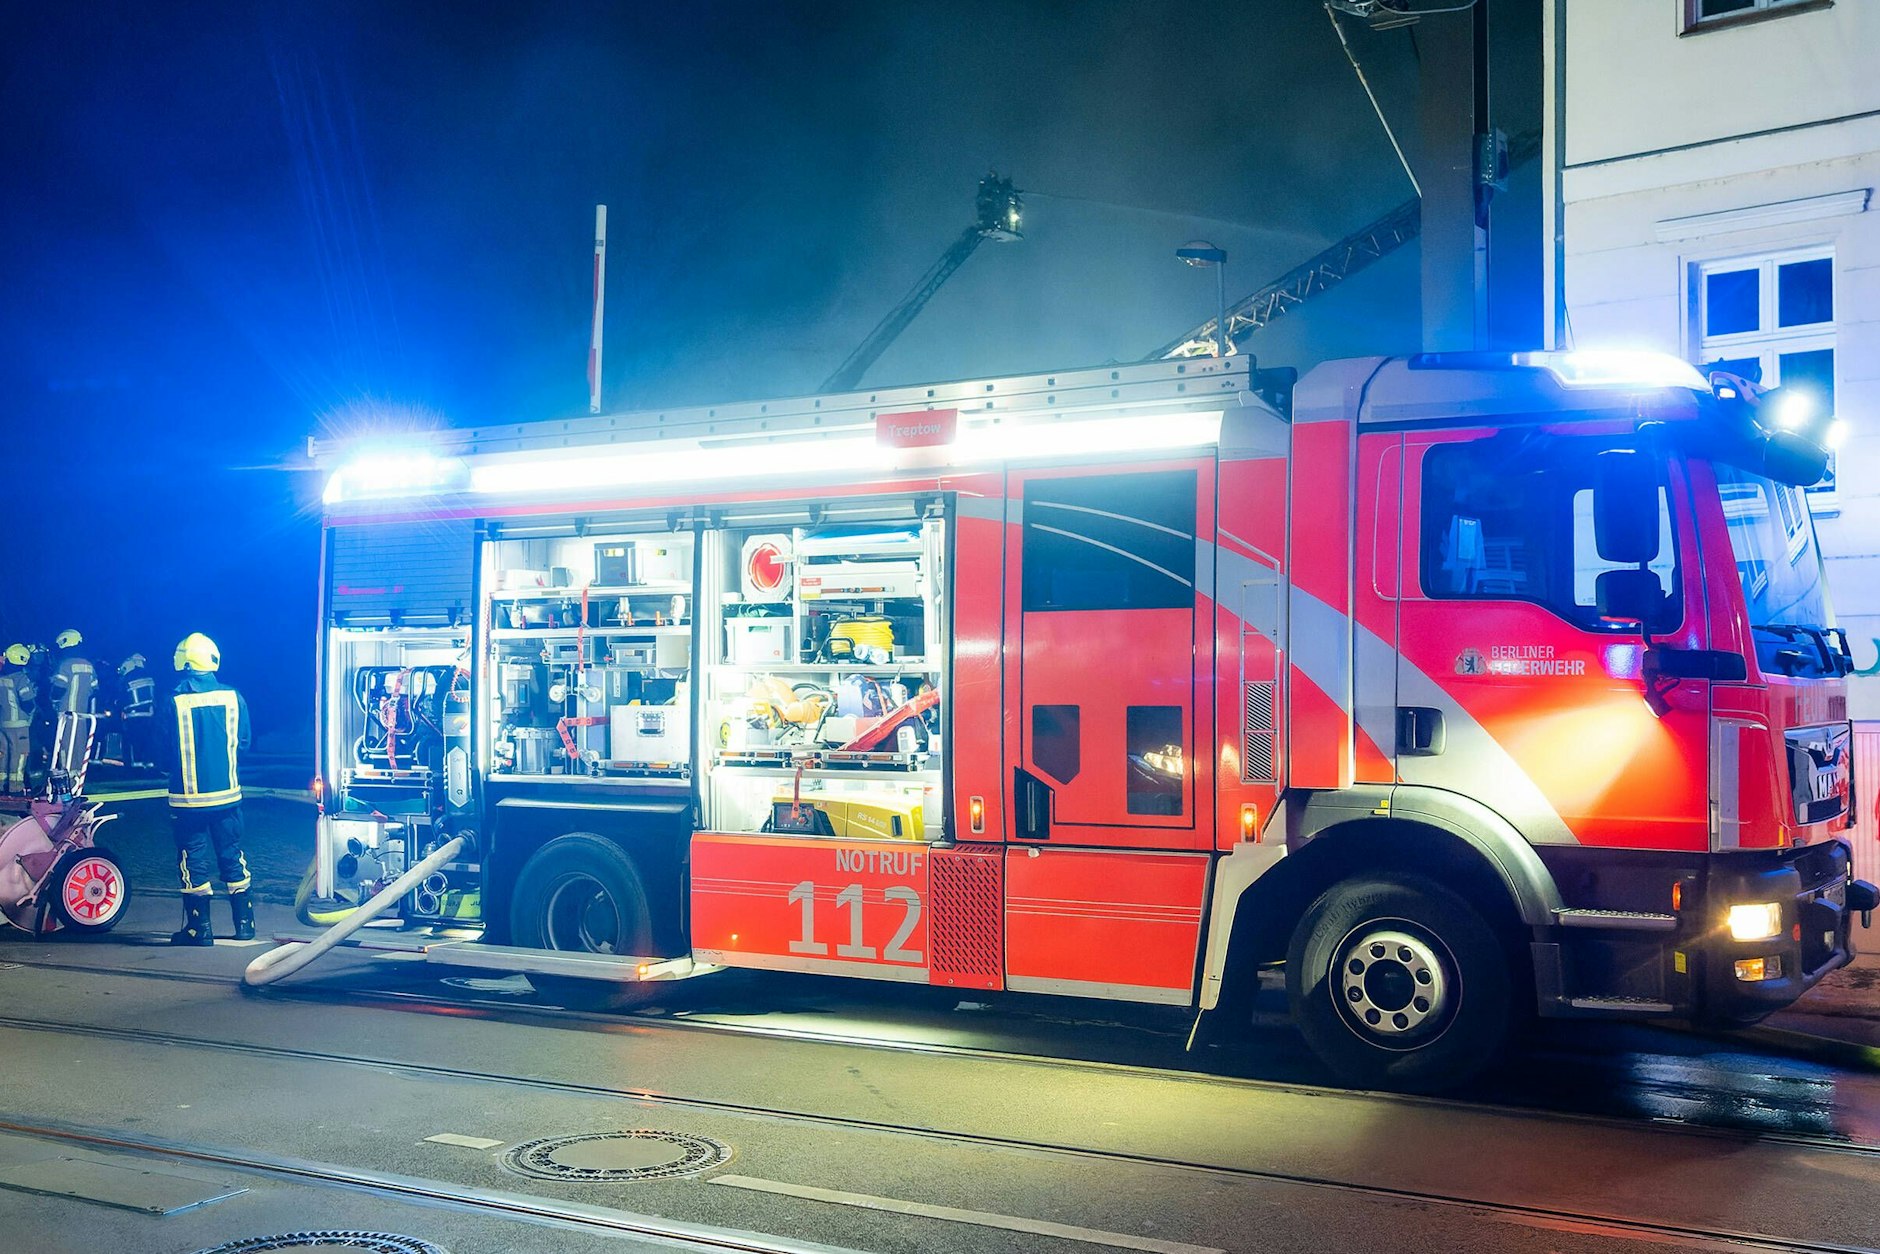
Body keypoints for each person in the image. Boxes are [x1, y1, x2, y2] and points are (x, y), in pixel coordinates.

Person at [159, 632, 254, 945]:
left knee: (192, 860)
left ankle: (199, 930)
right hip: (228, 797)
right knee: (232, 855)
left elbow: (161, 751)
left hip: (188, 801)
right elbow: (244, 742)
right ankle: (245, 926)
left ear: (187, 660)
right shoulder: (233, 696)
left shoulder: (174, 701)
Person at [0, 644, 36, 793]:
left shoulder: (2, 679)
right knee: (19, 755)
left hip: (2, 724)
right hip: (19, 725)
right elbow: (27, 701)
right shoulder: (21, 678)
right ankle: (16, 787)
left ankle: (1, 786)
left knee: (2, 755)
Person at [117, 653, 157, 768]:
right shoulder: (150, 677)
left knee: (132, 742)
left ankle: (135, 766)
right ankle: (149, 765)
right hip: (149, 715)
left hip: (133, 716)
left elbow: (122, 697)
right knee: (148, 741)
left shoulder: (128, 678)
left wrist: (119, 708)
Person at [49, 629, 97, 719]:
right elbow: (94, 691)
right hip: (83, 715)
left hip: (66, 715)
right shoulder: (89, 666)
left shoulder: (65, 665)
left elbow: (58, 689)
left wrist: (54, 702)